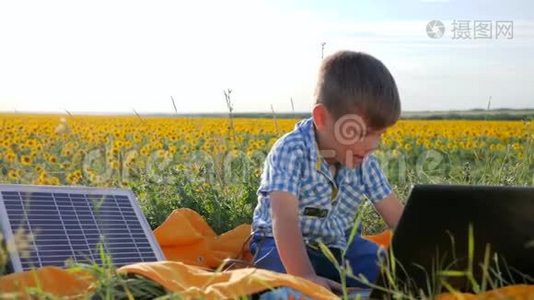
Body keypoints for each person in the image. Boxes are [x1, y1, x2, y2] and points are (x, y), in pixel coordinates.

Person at [249, 50, 405, 292]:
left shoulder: (364, 159)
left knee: (398, 272)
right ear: (322, 118)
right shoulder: (291, 150)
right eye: (362, 133)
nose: (372, 145)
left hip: (340, 247)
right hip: (279, 243)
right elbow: (284, 219)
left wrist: (432, 250)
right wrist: (304, 276)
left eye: (379, 134)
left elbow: (397, 217)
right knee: (284, 287)